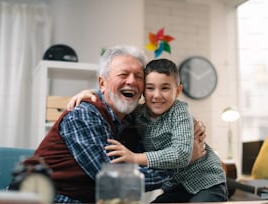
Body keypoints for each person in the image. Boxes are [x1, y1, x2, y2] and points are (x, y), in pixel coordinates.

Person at [24, 45, 206, 203]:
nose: (132, 81)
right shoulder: (84, 115)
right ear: (102, 83)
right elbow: (113, 180)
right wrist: (184, 162)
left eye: (138, 76)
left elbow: (155, 156)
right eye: (123, 74)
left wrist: (186, 138)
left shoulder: (133, 120)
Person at [68, 58, 228, 202]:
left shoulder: (179, 111)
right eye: (150, 88)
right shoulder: (138, 113)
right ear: (143, 90)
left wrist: (135, 158)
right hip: (176, 187)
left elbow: (181, 154)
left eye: (165, 88)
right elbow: (115, 95)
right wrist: (90, 93)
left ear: (178, 91)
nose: (157, 95)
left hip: (206, 182)